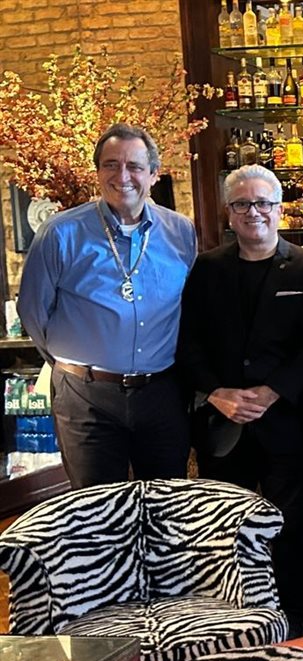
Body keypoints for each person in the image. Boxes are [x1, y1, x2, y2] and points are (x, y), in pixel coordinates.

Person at [178, 164, 303, 639]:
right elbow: (188, 341)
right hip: (223, 425)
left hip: (286, 423)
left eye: (263, 203)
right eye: (243, 204)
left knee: (289, 530)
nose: (254, 212)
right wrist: (218, 393)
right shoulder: (206, 268)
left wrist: (272, 392)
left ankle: (293, 622)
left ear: (279, 209)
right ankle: (236, 623)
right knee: (225, 533)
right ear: (229, 212)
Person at [17, 123, 196, 488]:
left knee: (165, 505)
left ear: (153, 174)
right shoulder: (59, 233)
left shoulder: (180, 231)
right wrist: (73, 364)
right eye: (111, 165)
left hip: (161, 392)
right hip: (86, 397)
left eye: (134, 166)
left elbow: (190, 306)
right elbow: (33, 312)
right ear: (98, 171)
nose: (122, 176)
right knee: (96, 512)